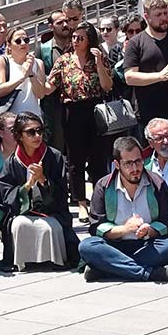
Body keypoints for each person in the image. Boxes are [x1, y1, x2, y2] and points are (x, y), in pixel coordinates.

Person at [81, 136, 168, 282]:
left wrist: (150, 230)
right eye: (128, 163)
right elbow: (96, 227)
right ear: (117, 164)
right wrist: (125, 229)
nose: (135, 169)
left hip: (147, 245)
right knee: (87, 246)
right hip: (114, 246)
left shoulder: (157, 183)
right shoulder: (104, 185)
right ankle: (149, 273)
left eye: (138, 161)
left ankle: (108, 268)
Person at [47, 20, 114, 223]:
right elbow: (50, 86)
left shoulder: (99, 58)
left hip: (95, 110)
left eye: (81, 38)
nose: (76, 41)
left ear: (89, 40)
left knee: (98, 158)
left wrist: (100, 63)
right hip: (72, 110)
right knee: (75, 160)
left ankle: (98, 200)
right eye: (74, 37)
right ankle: (81, 203)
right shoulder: (64, 61)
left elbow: (107, 86)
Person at [0, 112, 78, 270]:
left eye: (40, 130)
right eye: (31, 132)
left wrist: (43, 180)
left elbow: (62, 195)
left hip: (52, 211)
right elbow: (7, 198)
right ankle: (22, 262)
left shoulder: (54, 157)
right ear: (19, 136)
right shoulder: (12, 162)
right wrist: (27, 186)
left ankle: (55, 260)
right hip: (24, 212)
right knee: (19, 224)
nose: (37, 135)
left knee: (52, 226)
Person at [124, 0, 168, 148]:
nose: (164, 18)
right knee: (150, 162)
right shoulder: (136, 43)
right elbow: (129, 76)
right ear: (147, 16)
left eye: (165, 13)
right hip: (149, 116)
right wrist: (160, 76)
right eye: (158, 15)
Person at [0, 25, 48, 119]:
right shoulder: (2, 61)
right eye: (18, 41)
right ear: (9, 45)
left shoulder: (38, 63)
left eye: (26, 40)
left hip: (33, 118)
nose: (23, 43)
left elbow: (41, 94)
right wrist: (22, 77)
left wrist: (31, 74)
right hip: (11, 119)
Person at [38, 9, 73, 151]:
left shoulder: (77, 45)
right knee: (55, 146)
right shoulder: (43, 49)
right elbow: (40, 76)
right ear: (51, 26)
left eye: (67, 21)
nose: (65, 25)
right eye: (60, 22)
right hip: (53, 106)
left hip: (74, 105)